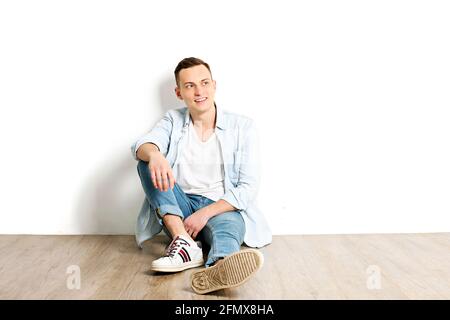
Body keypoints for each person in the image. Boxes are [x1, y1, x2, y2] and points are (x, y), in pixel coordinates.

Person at [130, 57, 272, 294]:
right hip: (179, 211)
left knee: (228, 230)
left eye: (204, 83)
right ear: (178, 92)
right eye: (190, 86)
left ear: (214, 85)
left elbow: (248, 187)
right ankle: (184, 242)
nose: (199, 91)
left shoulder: (242, 127)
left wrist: (205, 214)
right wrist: (155, 154)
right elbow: (141, 145)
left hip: (220, 208)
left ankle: (220, 268)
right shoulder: (173, 120)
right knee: (146, 162)